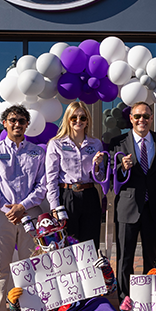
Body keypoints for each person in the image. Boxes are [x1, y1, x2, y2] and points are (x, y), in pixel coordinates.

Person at [6, 214, 147, 311]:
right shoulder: (32, 269)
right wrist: (14, 303)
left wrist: (106, 272)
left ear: (63, 235)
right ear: (39, 243)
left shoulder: (82, 256)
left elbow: (110, 288)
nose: (52, 244)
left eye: (56, 236)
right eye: (47, 239)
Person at [0, 105, 47, 311]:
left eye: (21, 121)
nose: (17, 124)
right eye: (12, 120)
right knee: (1, 268)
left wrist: (23, 206)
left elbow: (43, 184)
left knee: (30, 266)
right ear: (5, 123)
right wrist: (7, 208)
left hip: (29, 214)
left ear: (27, 125)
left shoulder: (37, 152)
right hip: (1, 216)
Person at [110, 101, 156, 298]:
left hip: (153, 208)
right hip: (127, 208)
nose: (141, 120)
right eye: (137, 116)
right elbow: (110, 179)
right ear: (131, 118)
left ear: (152, 118)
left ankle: (149, 300)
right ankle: (125, 301)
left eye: (146, 116)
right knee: (124, 259)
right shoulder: (118, 143)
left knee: (151, 258)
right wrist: (121, 168)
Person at [45, 101, 105, 250]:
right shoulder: (56, 144)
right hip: (67, 195)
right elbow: (51, 178)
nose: (78, 121)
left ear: (87, 121)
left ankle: (89, 273)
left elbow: (101, 177)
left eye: (82, 118)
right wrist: (54, 207)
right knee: (68, 244)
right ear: (68, 120)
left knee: (90, 244)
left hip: (89, 195)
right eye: (74, 118)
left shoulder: (95, 144)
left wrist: (97, 165)